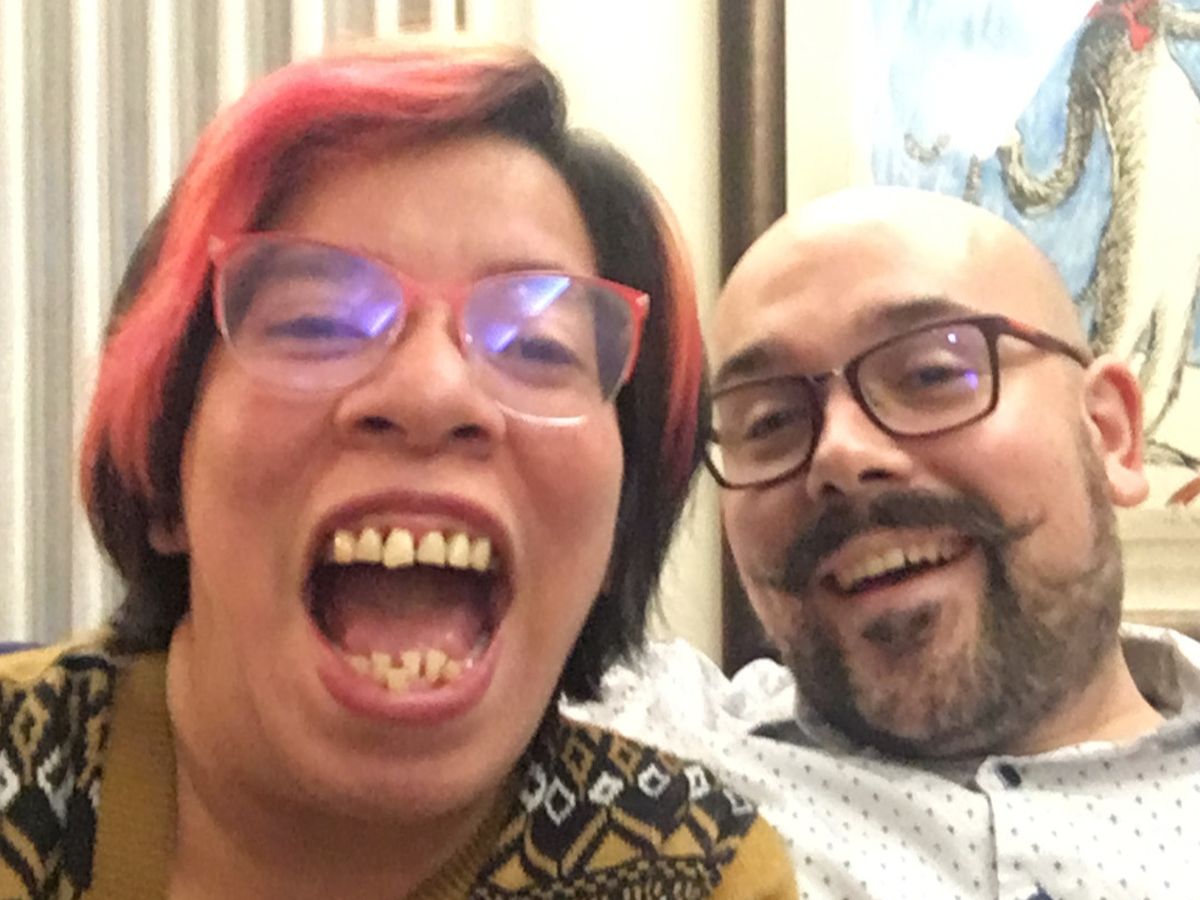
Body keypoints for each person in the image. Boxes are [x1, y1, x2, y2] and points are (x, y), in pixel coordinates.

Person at [0, 42, 797, 898]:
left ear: (616, 526)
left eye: (537, 346)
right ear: (164, 477)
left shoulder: (698, 873)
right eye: (316, 323)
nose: (431, 392)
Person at [570, 187, 1200, 899]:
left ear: (1110, 434)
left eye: (933, 374)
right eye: (770, 421)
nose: (840, 453)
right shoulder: (628, 756)